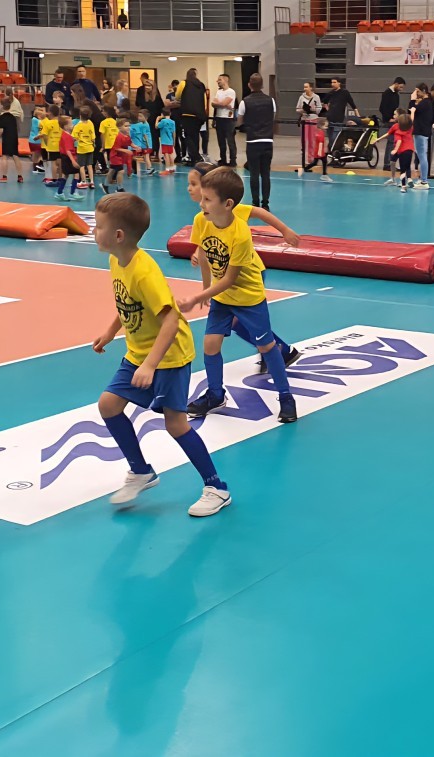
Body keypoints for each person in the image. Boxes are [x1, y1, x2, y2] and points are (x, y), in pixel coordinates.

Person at [90, 192, 233, 517]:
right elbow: (126, 302)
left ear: (118, 235)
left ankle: (216, 487)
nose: (94, 232)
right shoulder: (116, 260)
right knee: (108, 405)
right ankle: (141, 470)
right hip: (139, 352)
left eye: (98, 226)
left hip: (169, 357)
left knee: (176, 425)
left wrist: (151, 365)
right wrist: (111, 332)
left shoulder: (144, 272)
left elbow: (171, 320)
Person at [178, 166, 303, 425]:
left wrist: (196, 298)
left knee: (266, 346)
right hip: (222, 298)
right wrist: (204, 289)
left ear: (228, 204)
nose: (201, 203)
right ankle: (215, 394)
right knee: (210, 345)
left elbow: (230, 279)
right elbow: (204, 256)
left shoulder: (240, 233)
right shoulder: (202, 220)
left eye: (207, 199)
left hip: (248, 297)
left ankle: (286, 396)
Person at [237, 73, 275, 209]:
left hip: (253, 141)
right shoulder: (271, 101)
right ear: (262, 85)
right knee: (265, 173)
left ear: (249, 85)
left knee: (254, 173)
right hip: (267, 140)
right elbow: (272, 117)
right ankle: (265, 203)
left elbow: (239, 121)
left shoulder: (245, 102)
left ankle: (255, 202)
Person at [373, 111, 416, 193]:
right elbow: (412, 120)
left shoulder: (398, 130)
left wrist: (395, 150)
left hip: (401, 150)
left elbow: (399, 141)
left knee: (402, 170)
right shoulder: (410, 127)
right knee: (406, 166)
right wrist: (413, 112)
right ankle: (407, 180)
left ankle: (404, 186)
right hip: (410, 150)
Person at [295, 82, 329, 180]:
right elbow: (297, 109)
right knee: (304, 140)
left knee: (312, 140)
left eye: (306, 87)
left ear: (311, 88)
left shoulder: (316, 97)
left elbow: (319, 109)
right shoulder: (301, 97)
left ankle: (311, 159)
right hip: (304, 120)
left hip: (313, 119)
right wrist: (303, 110)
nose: (305, 88)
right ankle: (304, 160)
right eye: (304, 87)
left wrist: (313, 109)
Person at [322, 77, 356, 166]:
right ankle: (333, 159)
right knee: (331, 141)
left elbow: (352, 104)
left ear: (339, 83)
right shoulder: (331, 93)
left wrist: (358, 116)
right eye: (332, 82)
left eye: (334, 82)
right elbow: (324, 102)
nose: (332, 84)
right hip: (330, 120)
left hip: (339, 120)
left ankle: (337, 159)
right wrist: (328, 110)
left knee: (335, 140)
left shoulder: (344, 92)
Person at [411, 83, 434, 189]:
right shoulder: (427, 103)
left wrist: (412, 100)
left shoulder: (424, 103)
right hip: (423, 132)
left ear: (423, 91)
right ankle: (423, 179)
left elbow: (412, 110)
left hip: (421, 132)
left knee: (422, 156)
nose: (416, 93)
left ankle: (424, 181)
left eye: (418, 91)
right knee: (421, 155)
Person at [0, 91, 23, 182]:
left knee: (4, 157)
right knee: (16, 157)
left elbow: (1, 130)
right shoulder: (13, 117)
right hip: (14, 138)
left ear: (1, 106)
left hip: (6, 139)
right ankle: (20, 177)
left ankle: (4, 177)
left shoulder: (1, 117)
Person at [56, 110, 83, 200]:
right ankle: (72, 192)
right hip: (69, 157)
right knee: (76, 173)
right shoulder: (67, 136)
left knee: (66, 174)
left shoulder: (66, 135)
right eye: (71, 124)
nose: (73, 125)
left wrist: (73, 140)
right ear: (65, 126)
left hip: (65, 157)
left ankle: (60, 192)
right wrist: (73, 161)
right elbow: (68, 150)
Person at [211, 74, 237, 168]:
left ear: (225, 80)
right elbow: (213, 104)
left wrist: (221, 104)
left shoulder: (231, 92)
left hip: (228, 119)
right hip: (219, 118)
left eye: (219, 80)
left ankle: (233, 161)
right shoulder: (219, 92)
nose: (217, 81)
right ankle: (223, 160)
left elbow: (223, 103)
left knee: (230, 141)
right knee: (221, 141)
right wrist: (223, 105)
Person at [67, 106, 93, 196]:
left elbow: (73, 137)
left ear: (80, 115)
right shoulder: (90, 123)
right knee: (89, 165)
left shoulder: (78, 125)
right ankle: (92, 182)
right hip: (90, 147)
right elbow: (93, 135)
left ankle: (83, 181)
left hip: (81, 147)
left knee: (81, 165)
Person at [104, 117, 132, 193]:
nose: (128, 127)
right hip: (115, 156)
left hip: (120, 156)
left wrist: (135, 146)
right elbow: (116, 148)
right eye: (126, 126)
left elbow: (129, 143)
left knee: (112, 171)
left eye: (129, 126)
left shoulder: (127, 135)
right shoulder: (119, 136)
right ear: (119, 128)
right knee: (121, 171)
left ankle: (105, 185)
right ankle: (119, 188)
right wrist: (126, 150)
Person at [37, 104, 63, 184]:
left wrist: (46, 143)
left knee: (53, 163)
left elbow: (44, 135)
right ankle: (60, 178)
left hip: (52, 146)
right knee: (60, 162)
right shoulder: (61, 123)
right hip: (60, 145)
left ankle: (54, 179)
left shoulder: (48, 123)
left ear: (50, 113)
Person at [130, 110, 153, 175]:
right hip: (144, 143)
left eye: (140, 116)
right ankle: (149, 168)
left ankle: (149, 168)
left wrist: (147, 145)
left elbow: (145, 135)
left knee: (146, 157)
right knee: (145, 157)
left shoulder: (144, 125)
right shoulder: (143, 124)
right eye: (138, 116)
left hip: (146, 144)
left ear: (146, 117)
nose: (139, 118)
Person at [28, 105, 46, 175]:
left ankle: (35, 168)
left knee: (35, 154)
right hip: (38, 141)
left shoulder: (33, 120)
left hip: (32, 140)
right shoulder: (38, 121)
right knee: (42, 154)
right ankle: (40, 166)